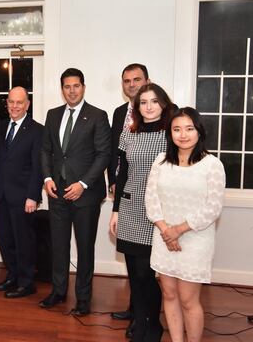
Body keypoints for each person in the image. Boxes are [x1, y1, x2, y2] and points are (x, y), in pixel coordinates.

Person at [146, 107, 225, 342]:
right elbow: (151, 198)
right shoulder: (161, 161)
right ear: (170, 133)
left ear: (199, 131)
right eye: (177, 129)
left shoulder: (212, 165)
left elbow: (213, 207)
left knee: (189, 300)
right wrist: (165, 230)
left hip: (195, 239)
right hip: (163, 237)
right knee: (169, 295)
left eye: (189, 129)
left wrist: (177, 230)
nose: (183, 134)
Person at [40, 68, 111, 315]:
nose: (72, 90)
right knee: (59, 246)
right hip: (57, 193)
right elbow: (45, 150)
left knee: (85, 248)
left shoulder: (97, 116)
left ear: (83, 87)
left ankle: (83, 299)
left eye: (76, 86)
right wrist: (47, 178)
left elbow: (103, 154)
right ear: (62, 89)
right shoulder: (53, 115)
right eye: (67, 86)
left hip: (86, 196)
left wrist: (83, 184)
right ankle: (58, 292)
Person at [109, 83, 174, 342]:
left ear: (163, 105)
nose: (148, 107)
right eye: (143, 102)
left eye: (154, 102)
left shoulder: (169, 135)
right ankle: (139, 320)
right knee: (134, 274)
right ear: (137, 107)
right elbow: (122, 174)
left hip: (156, 212)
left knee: (147, 273)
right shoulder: (129, 134)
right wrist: (115, 210)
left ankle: (153, 325)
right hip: (129, 209)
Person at [107, 63, 150, 332]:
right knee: (132, 258)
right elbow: (115, 152)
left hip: (147, 196)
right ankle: (135, 309)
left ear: (148, 80)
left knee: (145, 264)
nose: (131, 84)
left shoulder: (159, 113)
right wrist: (113, 180)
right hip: (123, 192)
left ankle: (144, 316)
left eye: (136, 79)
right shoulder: (119, 112)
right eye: (127, 81)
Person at [0, 86, 43, 298]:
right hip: (2, 196)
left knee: (24, 242)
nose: (14, 106)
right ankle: (12, 276)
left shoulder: (37, 130)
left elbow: (38, 167)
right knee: (5, 240)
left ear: (27, 105)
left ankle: (26, 282)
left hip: (24, 198)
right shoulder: (0, 126)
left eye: (19, 102)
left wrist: (33, 195)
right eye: (11, 102)